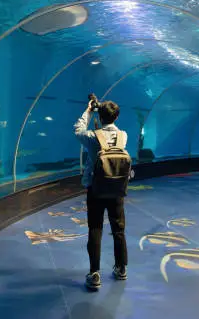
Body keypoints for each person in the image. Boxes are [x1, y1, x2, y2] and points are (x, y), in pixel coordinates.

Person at [74, 99, 128, 290]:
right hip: (117, 190)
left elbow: (78, 131)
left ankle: (95, 273)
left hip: (96, 189)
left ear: (99, 115)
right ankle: (121, 268)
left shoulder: (92, 136)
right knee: (118, 230)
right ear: (117, 116)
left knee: (95, 229)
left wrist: (88, 112)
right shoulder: (124, 136)